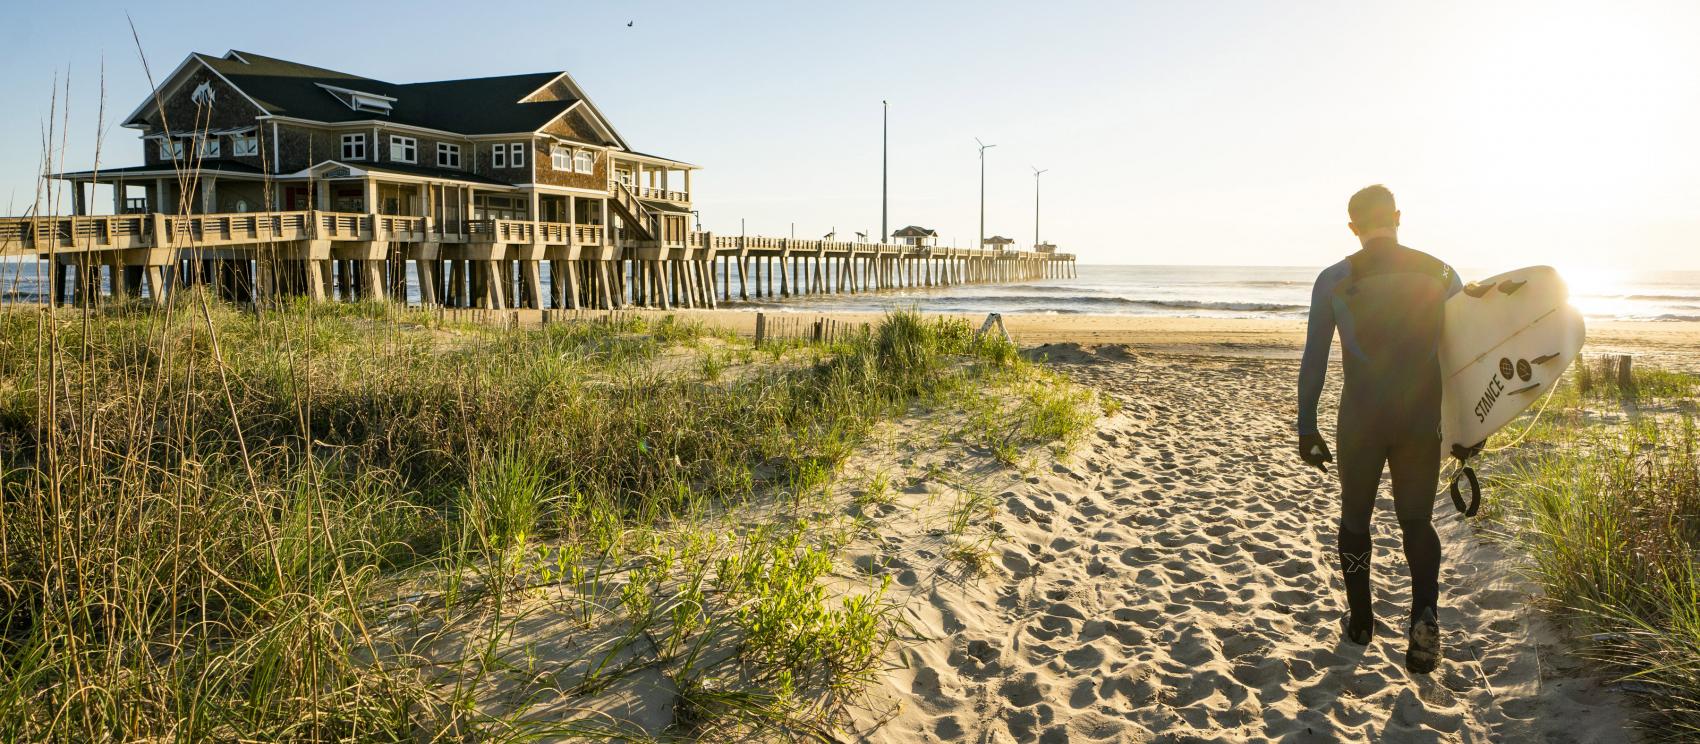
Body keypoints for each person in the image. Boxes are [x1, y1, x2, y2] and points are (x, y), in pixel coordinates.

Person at [1296, 185, 1461, 674]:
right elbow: (1467, 357)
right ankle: (1424, 613)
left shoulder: (1333, 279)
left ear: (1353, 227)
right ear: (1398, 217)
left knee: (1355, 521)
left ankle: (1362, 620)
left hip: (1361, 419)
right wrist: (1472, 423)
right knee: (1416, 521)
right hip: (1420, 420)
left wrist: (1307, 426)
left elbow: (1314, 360)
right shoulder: (1443, 273)